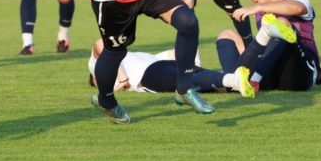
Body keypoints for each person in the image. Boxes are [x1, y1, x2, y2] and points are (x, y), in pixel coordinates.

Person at [218, 0, 321, 92]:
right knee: (227, 34)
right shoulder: (260, 11)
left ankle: (253, 80)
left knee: (280, 23)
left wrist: (259, 8)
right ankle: (233, 82)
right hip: (270, 70)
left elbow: (297, 8)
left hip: (299, 72)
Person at [87, 39, 254, 97]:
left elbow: (100, 43)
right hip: (157, 70)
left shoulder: (99, 68)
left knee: (190, 80)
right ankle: (236, 81)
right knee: (205, 83)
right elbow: (176, 53)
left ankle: (233, 80)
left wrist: (122, 78)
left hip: (152, 73)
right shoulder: (135, 58)